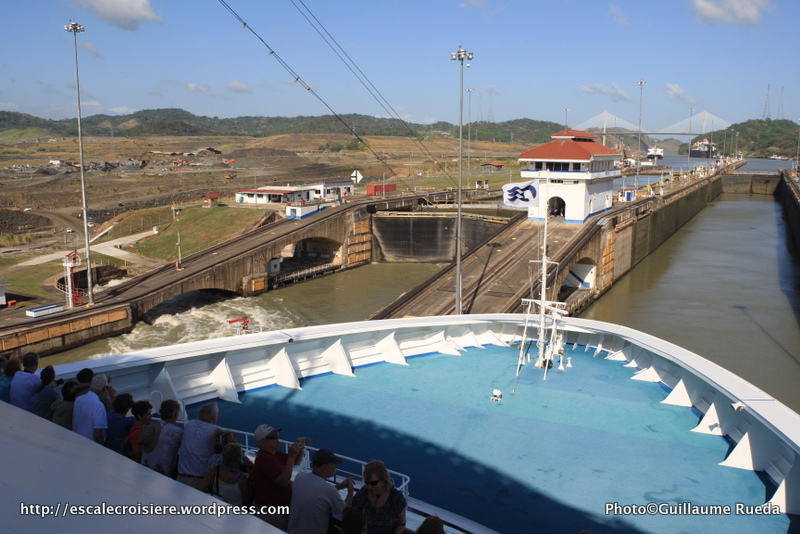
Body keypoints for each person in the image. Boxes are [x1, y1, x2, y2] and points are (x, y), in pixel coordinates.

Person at [252, 424, 305, 531]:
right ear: (263, 443)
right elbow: (284, 481)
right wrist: (291, 455)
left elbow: (295, 461)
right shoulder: (265, 458)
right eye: (273, 437)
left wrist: (301, 448)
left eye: (277, 435)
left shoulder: (274, 454)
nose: (277, 438)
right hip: (271, 514)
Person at [288, 448, 354, 534]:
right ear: (324, 468)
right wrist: (350, 492)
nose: (336, 467)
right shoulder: (328, 490)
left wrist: (338, 487)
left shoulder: (299, 477)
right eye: (334, 464)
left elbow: (316, 491)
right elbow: (343, 509)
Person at [352, 460, 410, 534]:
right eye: (367, 483)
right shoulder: (362, 494)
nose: (369, 487)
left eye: (373, 483)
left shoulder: (396, 498)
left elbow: (401, 524)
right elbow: (352, 516)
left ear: (384, 480)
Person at [176, 402, 219, 487]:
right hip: (199, 481)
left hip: (180, 477)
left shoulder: (189, 424)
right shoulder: (215, 430)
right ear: (214, 418)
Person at [142, 399, 183, 478]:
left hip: (144, 467)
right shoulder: (176, 432)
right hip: (162, 473)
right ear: (175, 415)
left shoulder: (150, 427)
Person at [72, 374, 109, 445]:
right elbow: (98, 434)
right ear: (104, 389)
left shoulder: (78, 399)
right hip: (90, 445)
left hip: (76, 440)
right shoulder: (99, 406)